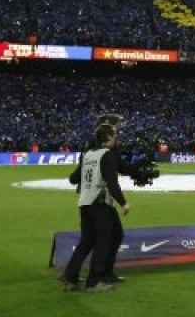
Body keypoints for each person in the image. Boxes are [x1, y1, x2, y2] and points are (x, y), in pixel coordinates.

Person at [62, 125, 130, 292]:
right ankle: (94, 281)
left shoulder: (88, 154)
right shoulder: (107, 155)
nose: (115, 138)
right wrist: (123, 202)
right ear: (108, 137)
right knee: (103, 241)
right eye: (114, 135)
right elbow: (112, 183)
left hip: (84, 203)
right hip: (100, 204)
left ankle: (71, 278)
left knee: (86, 241)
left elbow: (73, 178)